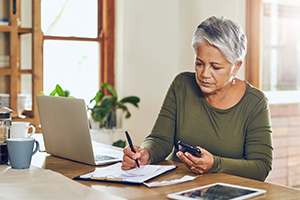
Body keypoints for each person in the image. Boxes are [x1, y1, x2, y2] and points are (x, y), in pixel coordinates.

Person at [121, 16, 273, 181]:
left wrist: (215, 163)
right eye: (200, 63)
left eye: (215, 67)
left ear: (236, 66)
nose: (205, 74)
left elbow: (261, 167)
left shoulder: (255, 102)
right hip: (175, 186)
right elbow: (160, 138)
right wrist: (146, 154)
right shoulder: (182, 85)